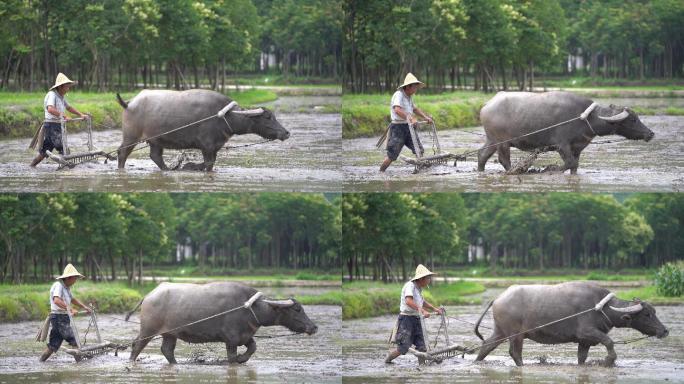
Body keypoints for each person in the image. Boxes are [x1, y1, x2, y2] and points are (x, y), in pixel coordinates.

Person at [385, 264, 444, 363]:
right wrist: (422, 310)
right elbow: (408, 301)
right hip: (406, 320)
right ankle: (387, 360)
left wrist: (435, 309)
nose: (429, 280)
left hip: (417, 319)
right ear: (421, 279)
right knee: (403, 348)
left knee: (422, 347)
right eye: (428, 278)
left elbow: (422, 302)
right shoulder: (410, 286)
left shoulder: (418, 288)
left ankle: (422, 368)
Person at [30, 73, 89, 167]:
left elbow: (69, 107)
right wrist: (64, 116)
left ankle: (32, 166)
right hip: (51, 125)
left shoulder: (61, 96)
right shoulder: (52, 95)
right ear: (61, 87)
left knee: (45, 151)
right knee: (63, 148)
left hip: (57, 125)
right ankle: (65, 167)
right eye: (67, 87)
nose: (68, 89)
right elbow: (50, 109)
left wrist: (81, 114)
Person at [379, 73, 434, 172]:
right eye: (415, 87)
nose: (416, 89)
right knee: (392, 155)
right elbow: (397, 110)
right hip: (398, 128)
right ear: (408, 87)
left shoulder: (409, 96)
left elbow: (415, 109)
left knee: (419, 150)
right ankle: (381, 172)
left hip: (409, 127)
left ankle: (420, 171)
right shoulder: (399, 95)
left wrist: (426, 118)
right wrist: (410, 117)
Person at [39, 263, 91, 362]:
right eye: (75, 278)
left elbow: (73, 299)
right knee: (74, 340)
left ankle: (40, 362)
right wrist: (70, 309)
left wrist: (85, 307)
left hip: (62, 318)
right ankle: (80, 363)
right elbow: (56, 300)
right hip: (58, 318)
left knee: (53, 346)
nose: (75, 281)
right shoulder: (58, 285)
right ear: (69, 278)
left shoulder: (66, 288)